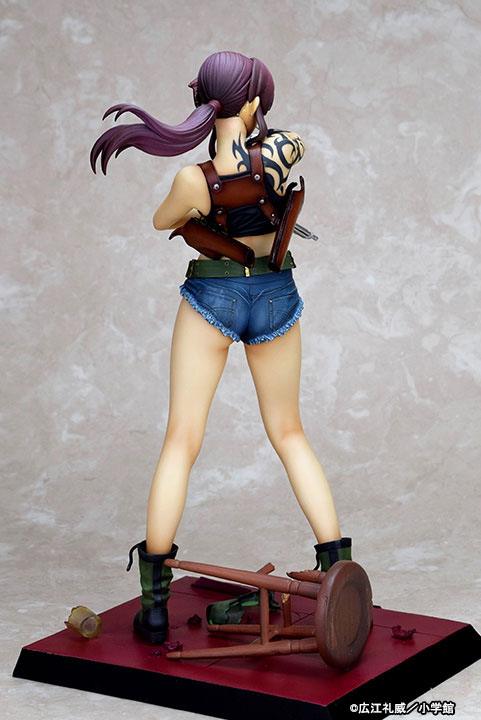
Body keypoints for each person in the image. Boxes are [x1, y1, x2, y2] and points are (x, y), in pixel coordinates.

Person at [90, 50, 352, 645]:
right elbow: (288, 152)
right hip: (276, 292)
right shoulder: (284, 149)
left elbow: (163, 221)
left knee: (181, 441)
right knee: (290, 433)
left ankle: (154, 607)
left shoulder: (193, 179)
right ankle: (343, 578)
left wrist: (202, 205)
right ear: (253, 103)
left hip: (214, 295)